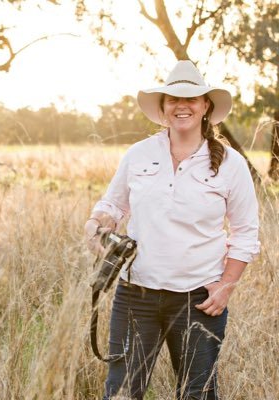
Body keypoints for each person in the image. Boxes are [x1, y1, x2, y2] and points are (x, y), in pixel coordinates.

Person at [84, 60, 260, 400]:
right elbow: (113, 206)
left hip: (199, 299)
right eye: (173, 99)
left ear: (206, 105)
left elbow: (245, 232)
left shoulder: (230, 163)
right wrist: (97, 225)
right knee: (121, 393)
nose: (182, 106)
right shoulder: (138, 155)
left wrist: (225, 287)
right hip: (136, 295)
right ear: (163, 107)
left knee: (197, 394)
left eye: (191, 98)